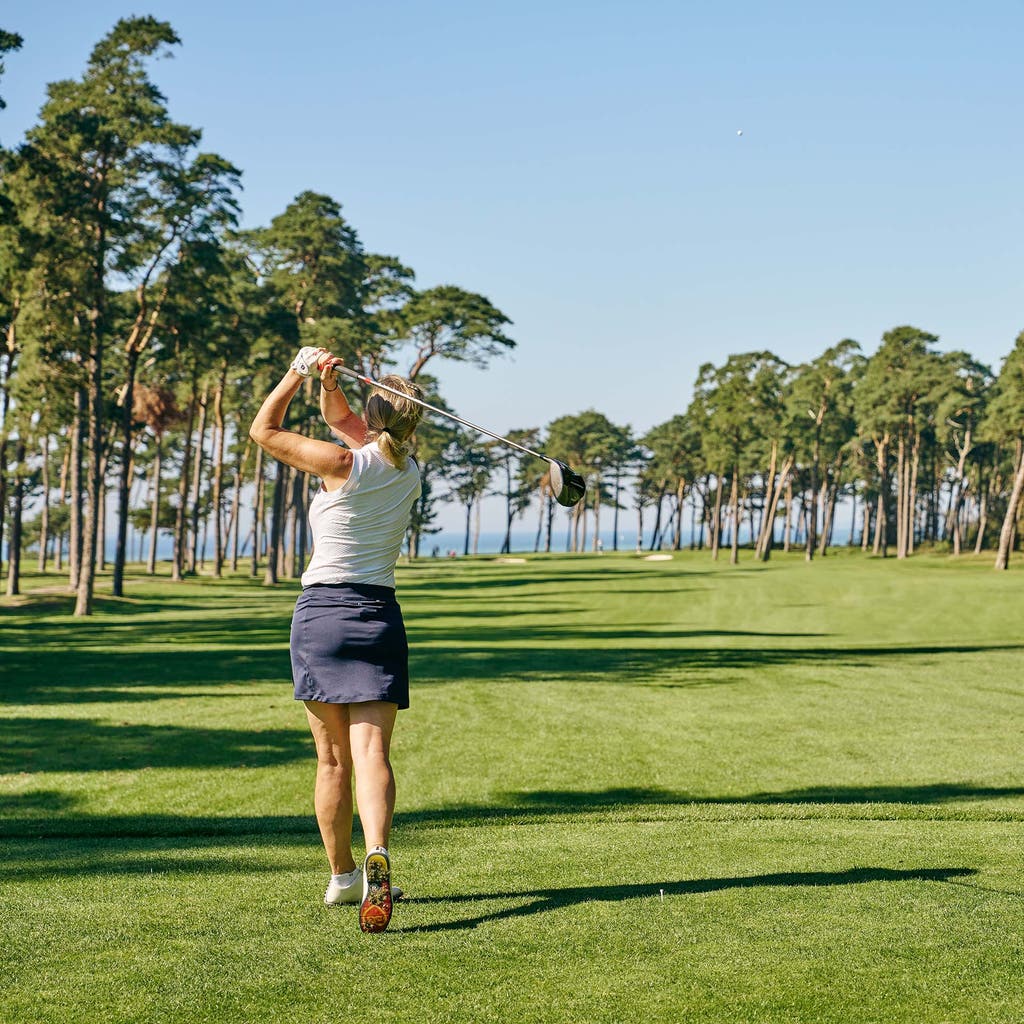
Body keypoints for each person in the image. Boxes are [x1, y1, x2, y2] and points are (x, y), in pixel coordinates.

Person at [249, 346, 424, 934]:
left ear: (373, 418)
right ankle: (378, 850)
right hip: (377, 615)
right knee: (373, 752)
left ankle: (345, 876)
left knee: (331, 761)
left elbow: (263, 429)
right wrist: (329, 383)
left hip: (322, 615)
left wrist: (296, 375)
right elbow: (342, 420)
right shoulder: (408, 470)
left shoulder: (339, 465)